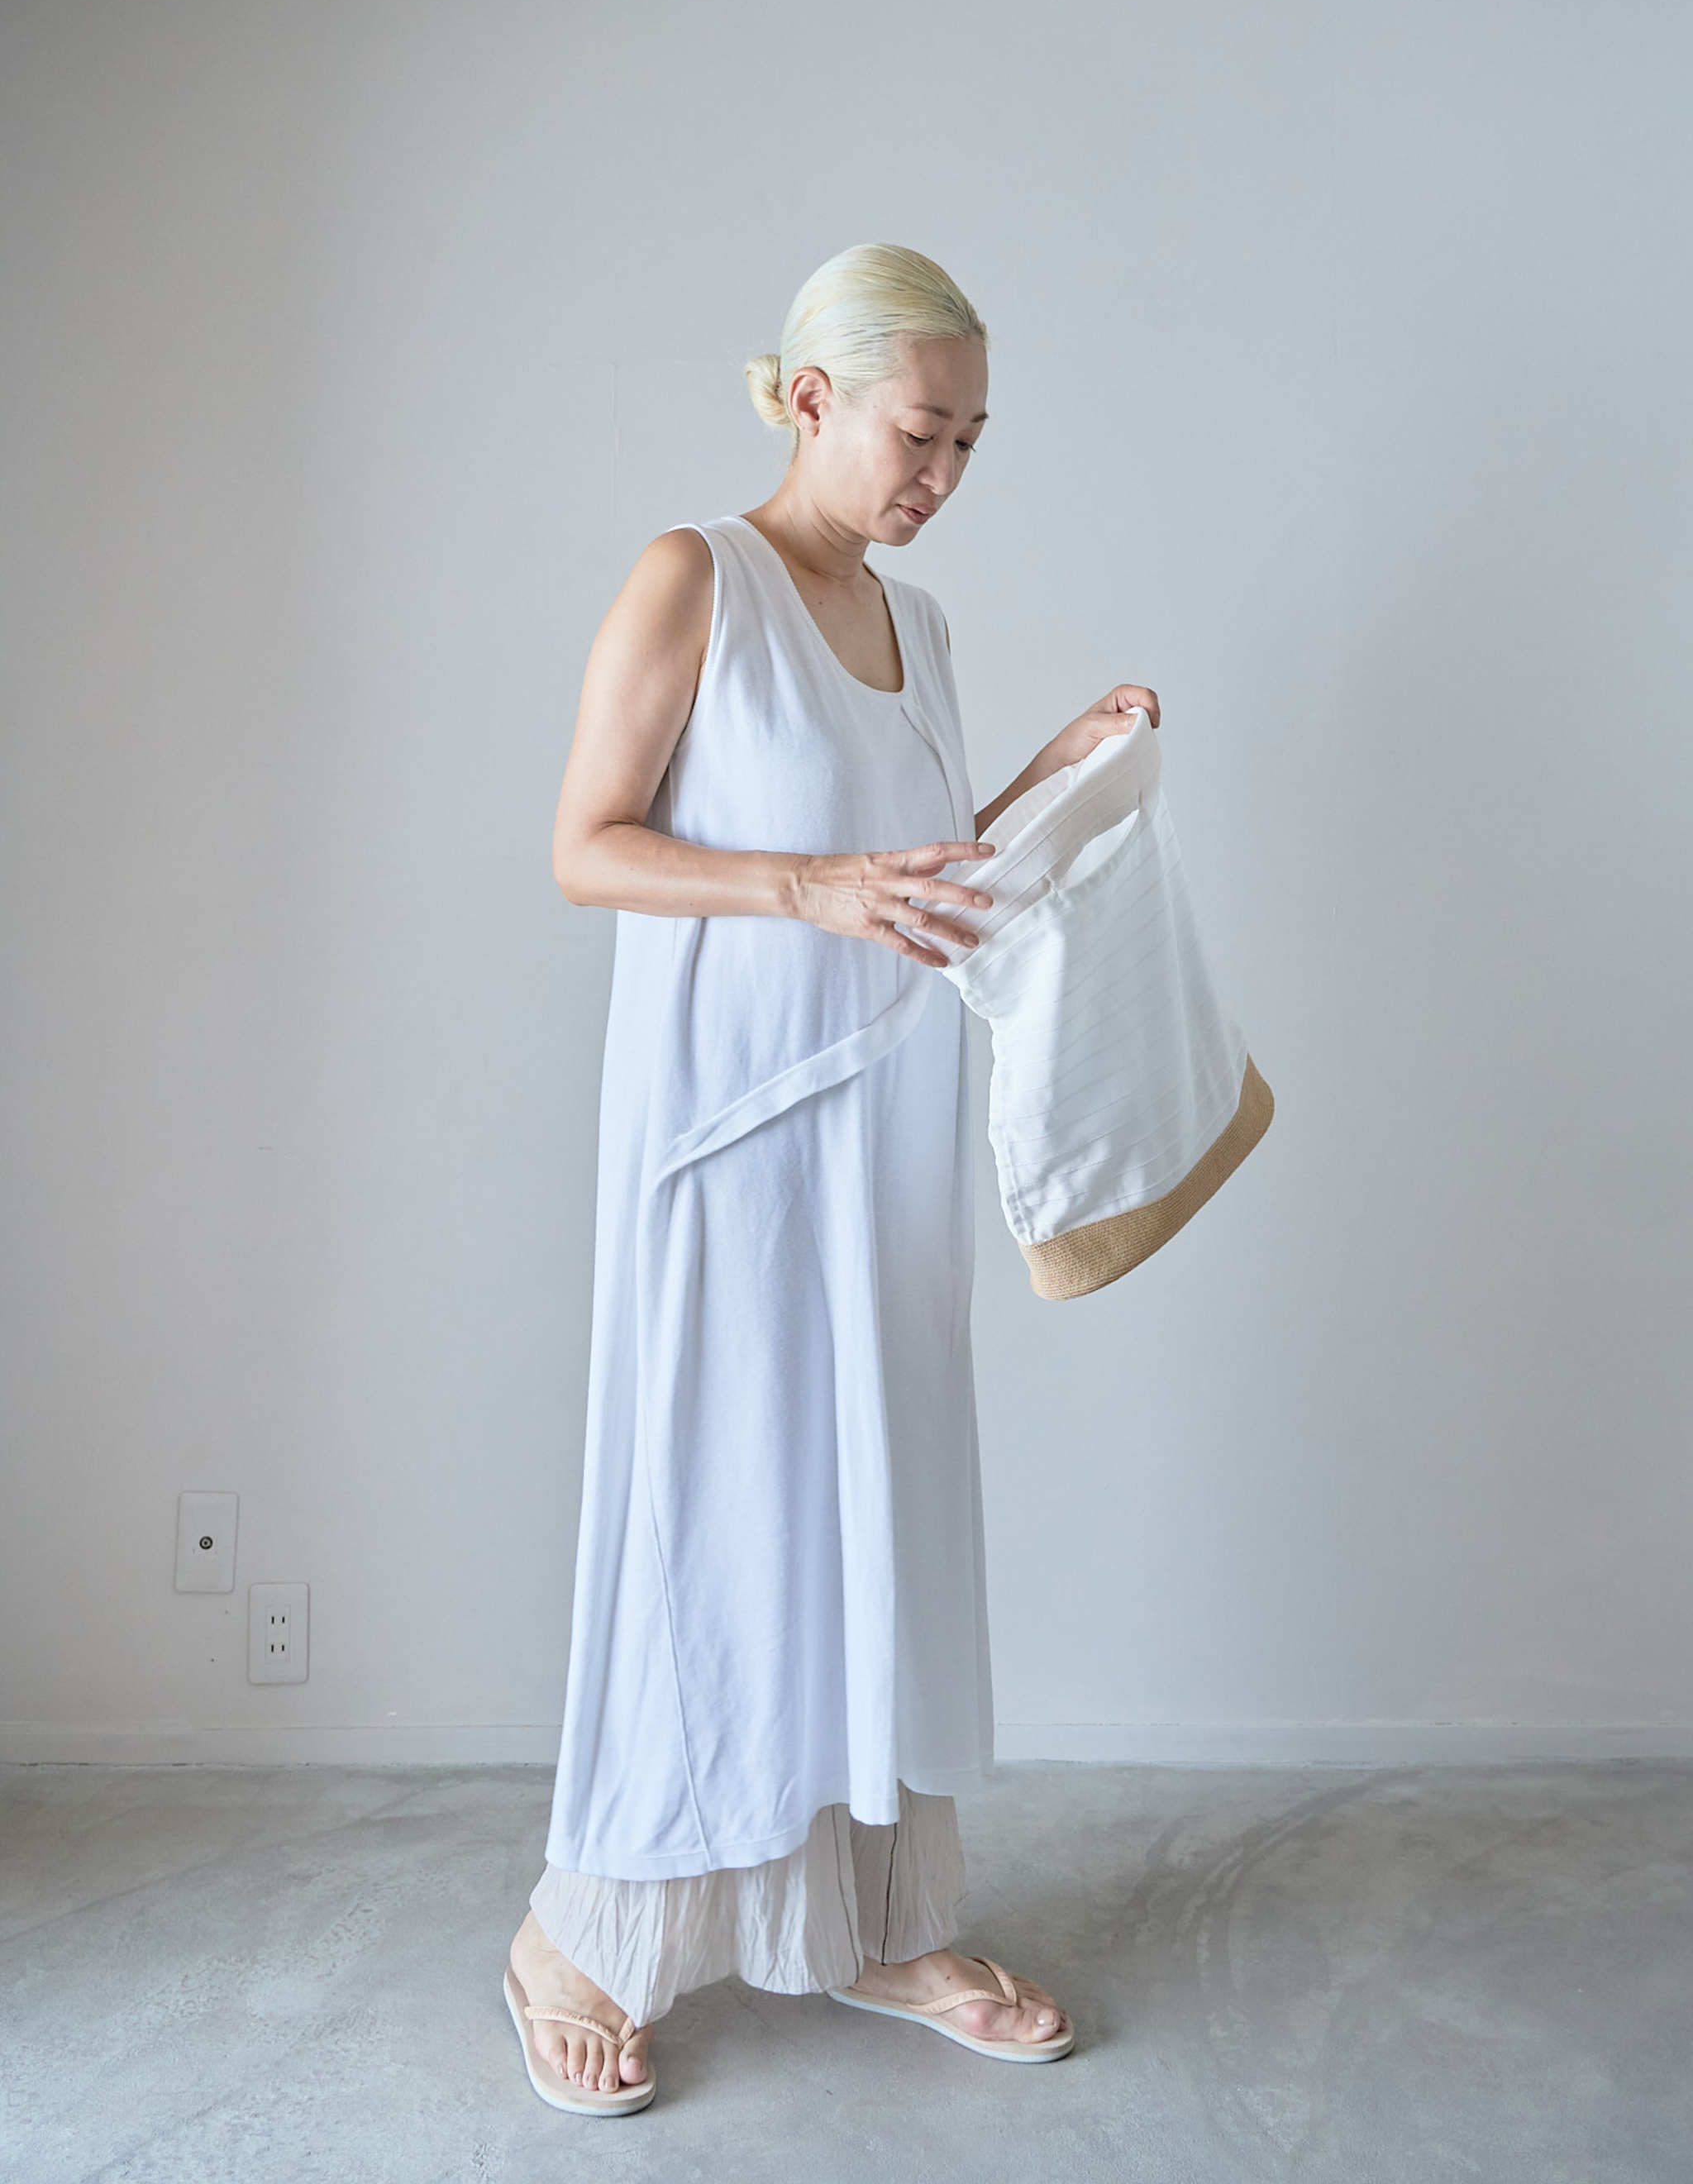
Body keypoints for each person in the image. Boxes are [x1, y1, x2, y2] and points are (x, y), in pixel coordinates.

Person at [505, 243, 1159, 2110]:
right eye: (918, 430)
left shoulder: (918, 624)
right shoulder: (693, 577)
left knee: (873, 1516)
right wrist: (799, 888)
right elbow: (585, 846)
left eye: (969, 442)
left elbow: (922, 879)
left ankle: (874, 1919)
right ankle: (583, 1933)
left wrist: (1055, 773)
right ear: (811, 398)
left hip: (884, 1145)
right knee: (716, 1518)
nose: (941, 472)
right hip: (728, 1145)